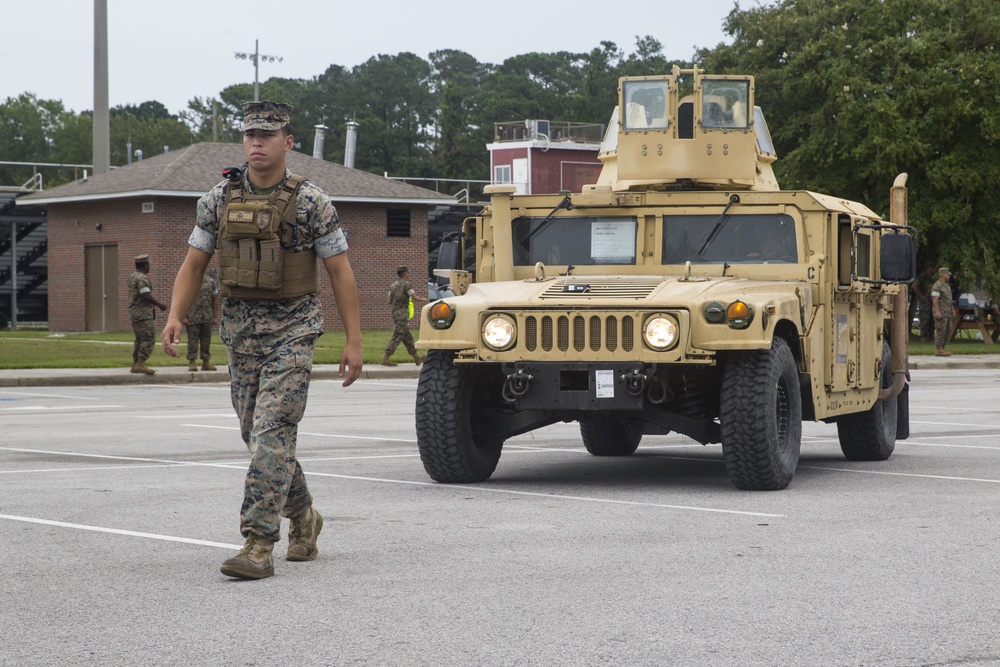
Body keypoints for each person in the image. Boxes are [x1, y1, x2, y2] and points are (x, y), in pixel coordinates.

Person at [160, 100, 362, 580]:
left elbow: (341, 272)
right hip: (241, 333)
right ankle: (306, 514)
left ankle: (257, 543)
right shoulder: (218, 199)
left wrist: (354, 341)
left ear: (288, 143)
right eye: (250, 135)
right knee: (260, 438)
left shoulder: (313, 202)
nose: (256, 143)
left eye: (267, 136)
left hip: (294, 331)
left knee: (272, 434)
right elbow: (194, 264)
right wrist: (175, 315)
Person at [127, 254, 167, 374]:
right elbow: (145, 294)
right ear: (145, 265)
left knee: (140, 339)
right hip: (142, 314)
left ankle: (136, 364)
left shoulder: (132, 276)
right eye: (148, 264)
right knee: (148, 338)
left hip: (135, 313)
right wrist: (159, 305)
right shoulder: (142, 279)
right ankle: (140, 363)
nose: (149, 266)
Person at [380, 266, 425, 366]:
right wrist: (424, 300)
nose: (408, 274)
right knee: (398, 336)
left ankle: (416, 358)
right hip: (402, 315)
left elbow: (389, 301)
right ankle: (386, 358)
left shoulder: (393, 286)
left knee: (407, 336)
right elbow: (415, 298)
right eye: (408, 273)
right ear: (404, 274)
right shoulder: (406, 285)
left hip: (395, 314)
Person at [185, 268, 219, 371]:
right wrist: (183, 316)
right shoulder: (189, 281)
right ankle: (192, 362)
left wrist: (215, 316)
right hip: (193, 316)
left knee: (206, 340)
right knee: (192, 340)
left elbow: (215, 299)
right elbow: (184, 299)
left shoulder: (211, 282)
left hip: (207, 316)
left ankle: (206, 362)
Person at [931, 266, 957, 357]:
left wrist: (952, 309)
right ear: (943, 274)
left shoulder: (946, 285)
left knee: (948, 330)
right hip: (941, 312)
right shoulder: (937, 286)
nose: (949, 276)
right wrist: (937, 311)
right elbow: (935, 299)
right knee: (940, 330)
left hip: (948, 312)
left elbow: (949, 299)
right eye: (947, 274)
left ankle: (943, 347)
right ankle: (938, 349)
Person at [911, 262, 936, 340]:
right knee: (924, 319)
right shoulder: (922, 277)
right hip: (925, 301)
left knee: (932, 319)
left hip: (933, 301)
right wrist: (920, 295)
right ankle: (923, 336)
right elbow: (914, 286)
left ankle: (931, 335)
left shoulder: (934, 278)